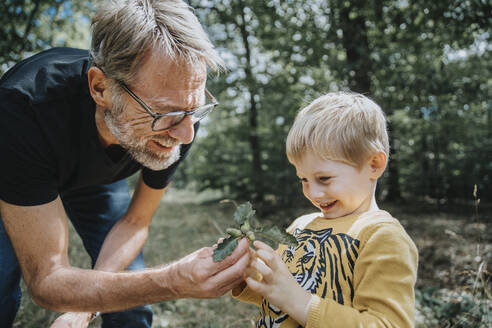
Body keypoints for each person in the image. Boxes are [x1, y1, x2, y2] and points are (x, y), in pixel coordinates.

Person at [0, 1, 250, 327]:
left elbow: (135, 223)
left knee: (129, 293)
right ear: (100, 87)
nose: (187, 135)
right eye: (165, 114)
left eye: (195, 110)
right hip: (15, 169)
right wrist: (172, 280)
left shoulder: (180, 116)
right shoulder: (22, 110)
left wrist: (83, 308)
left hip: (96, 181)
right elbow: (46, 281)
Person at [232, 92, 419, 327]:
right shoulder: (301, 225)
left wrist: (301, 303)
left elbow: (387, 324)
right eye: (303, 179)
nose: (312, 192)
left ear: (374, 165)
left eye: (324, 178)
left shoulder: (381, 236)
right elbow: (280, 295)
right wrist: (246, 275)